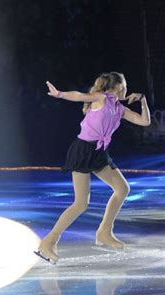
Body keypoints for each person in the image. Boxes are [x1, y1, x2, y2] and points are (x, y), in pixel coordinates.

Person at [35, 72, 151, 264]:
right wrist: (59, 94)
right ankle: (49, 241)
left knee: (122, 189)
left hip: (99, 152)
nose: (127, 89)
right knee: (81, 203)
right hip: (83, 150)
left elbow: (144, 121)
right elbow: (79, 96)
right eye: (125, 86)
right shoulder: (101, 98)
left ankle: (105, 232)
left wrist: (143, 100)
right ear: (118, 87)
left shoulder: (119, 108)